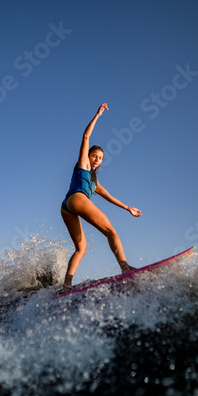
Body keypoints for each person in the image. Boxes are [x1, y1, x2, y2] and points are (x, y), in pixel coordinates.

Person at [60, 103, 142, 293]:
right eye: (94, 156)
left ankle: (66, 287)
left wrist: (127, 207)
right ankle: (125, 268)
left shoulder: (94, 182)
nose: (97, 159)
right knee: (112, 232)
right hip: (77, 199)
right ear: (88, 156)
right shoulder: (83, 165)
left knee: (81, 249)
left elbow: (109, 197)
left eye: (100, 158)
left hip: (66, 207)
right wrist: (97, 115)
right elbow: (86, 136)